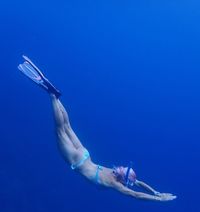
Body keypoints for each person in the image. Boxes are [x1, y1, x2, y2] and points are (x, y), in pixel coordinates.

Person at [18, 55, 177, 202]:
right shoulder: (117, 184)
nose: (122, 167)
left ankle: (56, 97)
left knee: (67, 125)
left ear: (123, 176)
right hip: (78, 160)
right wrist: (157, 197)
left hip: (85, 154)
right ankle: (52, 96)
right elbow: (135, 193)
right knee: (60, 129)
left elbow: (139, 185)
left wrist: (156, 192)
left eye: (124, 169)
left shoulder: (118, 178)